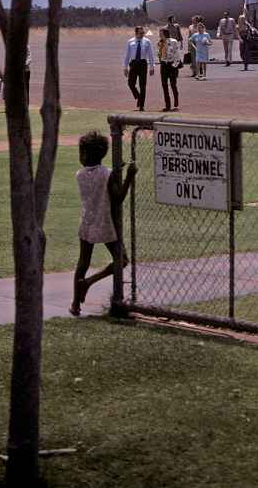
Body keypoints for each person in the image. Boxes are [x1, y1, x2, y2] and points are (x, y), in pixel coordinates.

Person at [70, 131, 136, 316]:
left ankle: (75, 303)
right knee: (122, 260)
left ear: (85, 155)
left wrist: (114, 173)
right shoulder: (107, 174)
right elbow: (118, 198)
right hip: (105, 223)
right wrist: (128, 176)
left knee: (83, 262)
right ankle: (89, 282)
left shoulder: (79, 174)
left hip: (87, 222)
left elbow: (96, 179)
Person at [122, 25, 155, 111]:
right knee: (130, 83)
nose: (142, 34)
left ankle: (141, 105)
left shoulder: (147, 41)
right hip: (133, 64)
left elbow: (151, 55)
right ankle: (138, 96)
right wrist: (125, 67)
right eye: (140, 33)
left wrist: (152, 67)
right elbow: (127, 55)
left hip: (143, 64)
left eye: (143, 33)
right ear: (136, 33)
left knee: (142, 85)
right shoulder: (130, 41)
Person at [157, 27, 182, 112]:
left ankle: (176, 101)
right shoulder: (160, 43)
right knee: (164, 85)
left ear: (165, 34)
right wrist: (159, 55)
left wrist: (175, 65)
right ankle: (167, 105)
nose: (159, 35)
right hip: (164, 65)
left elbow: (177, 53)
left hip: (172, 65)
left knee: (173, 84)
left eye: (161, 33)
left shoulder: (173, 41)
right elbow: (159, 54)